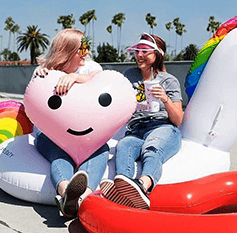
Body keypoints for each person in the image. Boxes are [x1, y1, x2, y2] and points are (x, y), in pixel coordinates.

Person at [100, 33, 183, 210]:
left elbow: (178, 119)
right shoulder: (129, 75)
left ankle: (142, 185)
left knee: (151, 149)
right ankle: (123, 190)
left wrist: (165, 99)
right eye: (137, 51)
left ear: (157, 55)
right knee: (124, 146)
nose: (139, 55)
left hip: (162, 127)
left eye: (145, 51)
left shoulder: (169, 81)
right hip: (135, 129)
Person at [33, 28, 109, 218]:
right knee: (60, 154)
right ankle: (66, 192)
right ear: (67, 50)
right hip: (50, 134)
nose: (86, 52)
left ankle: (81, 197)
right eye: (81, 48)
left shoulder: (91, 68)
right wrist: (42, 81)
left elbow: (101, 81)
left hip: (82, 134)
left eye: (86, 47)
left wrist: (75, 78)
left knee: (101, 148)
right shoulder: (44, 72)